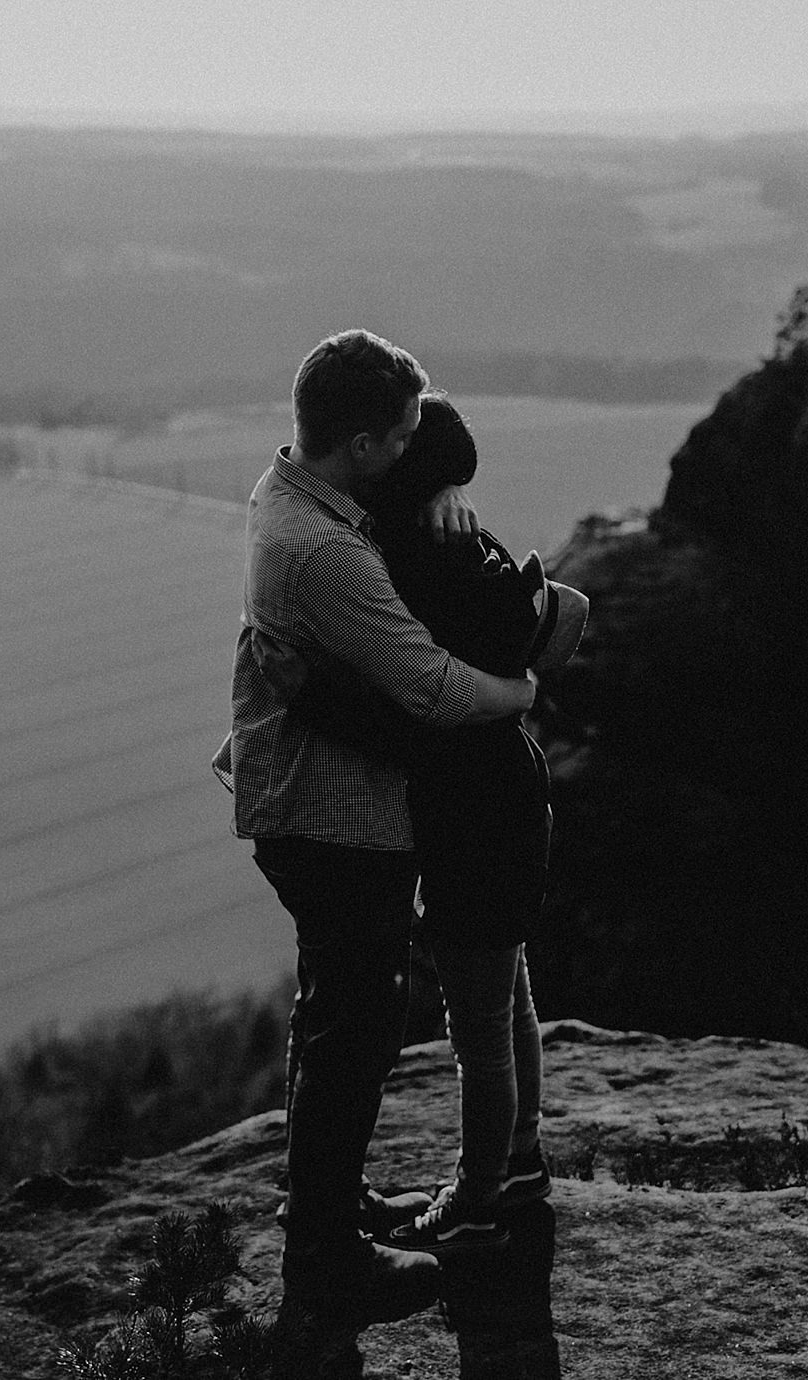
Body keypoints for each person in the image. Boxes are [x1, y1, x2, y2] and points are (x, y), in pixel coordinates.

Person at [211, 330, 539, 1338]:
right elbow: (430, 689)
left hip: (329, 808)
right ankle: (328, 1258)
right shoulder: (331, 553)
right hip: (332, 823)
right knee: (353, 1034)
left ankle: (333, 1211)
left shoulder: (295, 488)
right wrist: (520, 689)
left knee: (338, 1022)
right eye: (399, 437)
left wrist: (446, 476)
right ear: (360, 445)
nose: (414, 443)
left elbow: (428, 430)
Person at [298, 394, 577, 1258]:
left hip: (469, 810)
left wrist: (305, 694)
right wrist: (450, 478)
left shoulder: (410, 567)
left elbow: (412, 713)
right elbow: (440, 423)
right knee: (510, 995)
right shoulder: (471, 552)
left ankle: (480, 1203)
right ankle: (521, 1164)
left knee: (478, 1027)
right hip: (509, 788)